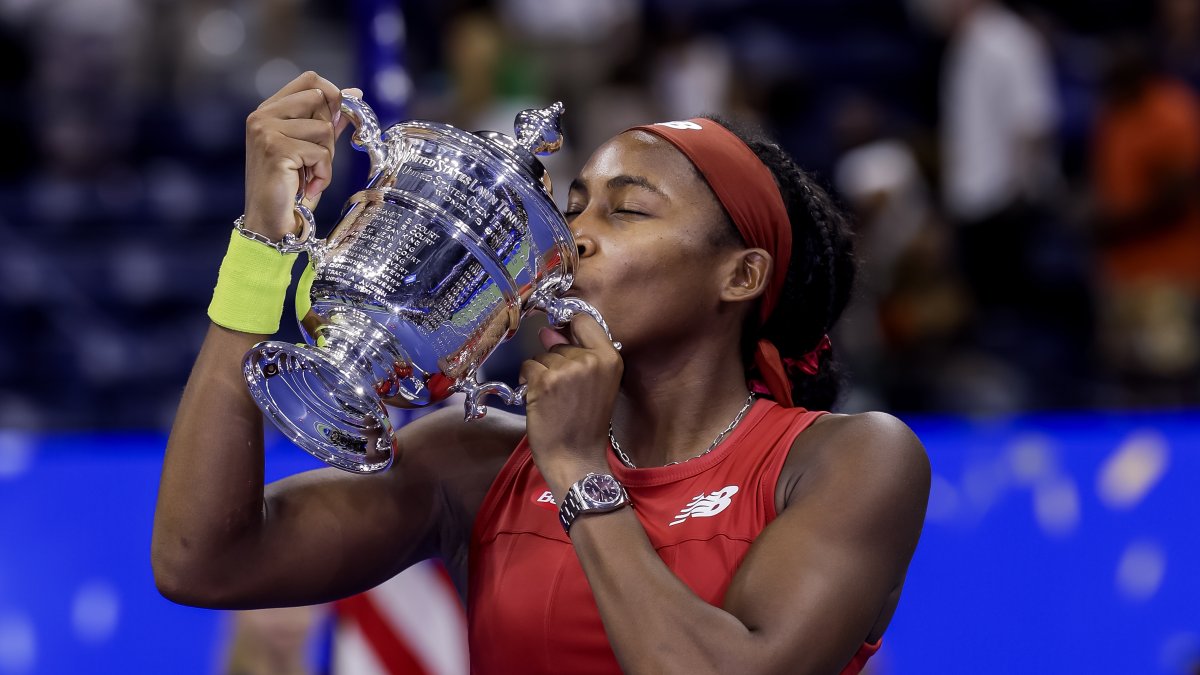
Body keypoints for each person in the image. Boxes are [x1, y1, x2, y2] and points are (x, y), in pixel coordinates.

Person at [152, 71, 931, 674]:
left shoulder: (851, 459)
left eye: (627, 210)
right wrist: (264, 244)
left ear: (740, 275)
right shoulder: (473, 463)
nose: (571, 238)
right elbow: (202, 560)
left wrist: (576, 467)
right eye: (576, 205)